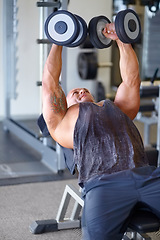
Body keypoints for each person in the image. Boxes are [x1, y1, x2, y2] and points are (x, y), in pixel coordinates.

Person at [42, 23, 160, 240]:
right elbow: (50, 84)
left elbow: (131, 80)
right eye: (74, 92)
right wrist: (58, 42)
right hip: (103, 185)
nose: (81, 91)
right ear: (64, 107)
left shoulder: (117, 108)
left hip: (147, 176)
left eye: (84, 90)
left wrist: (122, 41)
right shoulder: (63, 123)